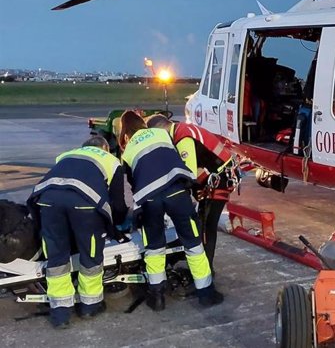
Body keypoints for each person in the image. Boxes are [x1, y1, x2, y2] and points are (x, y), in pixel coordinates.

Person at [118, 110, 223, 311]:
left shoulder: (128, 151)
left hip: (149, 200)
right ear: (143, 124)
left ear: (125, 132)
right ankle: (206, 294)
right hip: (177, 192)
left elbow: (134, 184)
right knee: (193, 243)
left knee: (154, 248)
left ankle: (157, 298)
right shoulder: (162, 134)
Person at [27, 135, 128, 329]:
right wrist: (118, 227)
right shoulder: (111, 160)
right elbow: (119, 203)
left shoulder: (66, 155)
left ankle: (60, 313)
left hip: (48, 201)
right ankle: (90, 305)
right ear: (105, 147)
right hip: (84, 206)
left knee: (57, 258)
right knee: (90, 256)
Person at [145, 114, 236, 271]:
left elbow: (187, 175)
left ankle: (206, 272)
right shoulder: (181, 130)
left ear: (160, 130)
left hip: (218, 180)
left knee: (207, 226)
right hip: (214, 177)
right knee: (201, 223)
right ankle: (200, 264)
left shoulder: (182, 137)